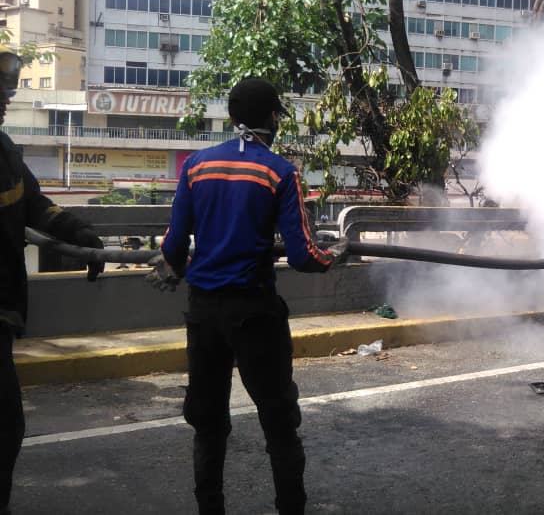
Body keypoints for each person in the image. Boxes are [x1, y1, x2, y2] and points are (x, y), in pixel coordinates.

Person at [146, 78, 347, 515]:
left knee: (208, 421)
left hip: (204, 312)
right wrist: (335, 255)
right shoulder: (280, 172)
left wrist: (170, 264)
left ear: (232, 117)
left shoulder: (195, 167)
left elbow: (174, 246)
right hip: (254, 312)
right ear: (273, 117)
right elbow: (302, 255)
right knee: (278, 420)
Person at [0, 45, 105, 515]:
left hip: (1, 315)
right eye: (0, 85)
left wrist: (79, 234)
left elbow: (37, 206)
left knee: (6, 431)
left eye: (11, 84)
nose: (7, 94)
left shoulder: (5, 152)